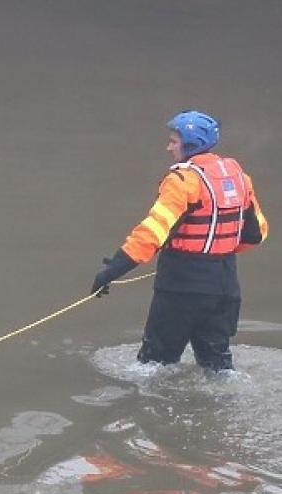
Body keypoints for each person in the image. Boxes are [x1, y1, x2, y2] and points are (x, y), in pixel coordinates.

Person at [91, 110, 269, 371]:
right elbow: (256, 234)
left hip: (180, 288)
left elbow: (152, 232)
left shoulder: (183, 181)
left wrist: (112, 270)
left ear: (191, 144)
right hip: (225, 287)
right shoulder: (239, 178)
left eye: (174, 141)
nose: (168, 147)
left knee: (152, 367)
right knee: (218, 367)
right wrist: (215, 252)